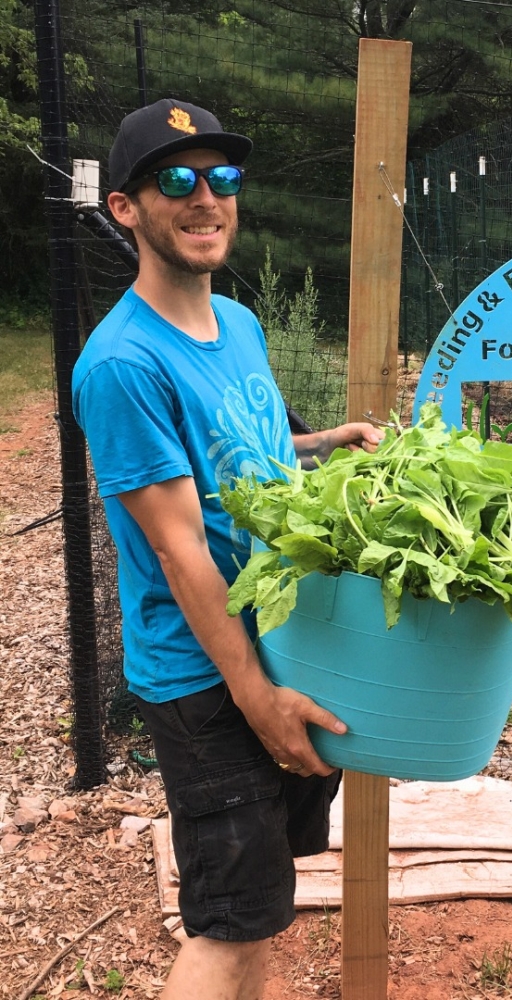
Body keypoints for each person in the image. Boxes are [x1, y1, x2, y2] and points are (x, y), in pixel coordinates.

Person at [72, 98, 383, 1000]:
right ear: (126, 208)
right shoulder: (125, 364)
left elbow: (247, 459)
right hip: (210, 676)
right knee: (225, 927)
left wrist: (325, 442)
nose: (205, 197)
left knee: (260, 911)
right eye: (175, 180)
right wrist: (261, 702)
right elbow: (179, 553)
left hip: (281, 642)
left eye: (223, 178)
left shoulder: (238, 324)